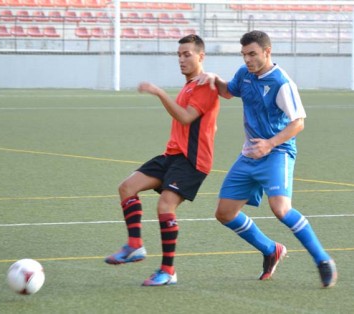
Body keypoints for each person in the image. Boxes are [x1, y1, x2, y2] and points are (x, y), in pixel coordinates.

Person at [197, 30, 337, 288]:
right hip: (249, 155)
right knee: (225, 213)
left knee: (281, 209)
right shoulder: (244, 74)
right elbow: (228, 91)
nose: (248, 59)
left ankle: (323, 260)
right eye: (244, 55)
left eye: (252, 54)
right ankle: (271, 249)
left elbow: (298, 123)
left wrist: (270, 143)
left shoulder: (282, 82)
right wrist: (213, 79)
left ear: (267, 52)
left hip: (277, 153)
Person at [104, 34, 220, 286]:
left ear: (201, 56)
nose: (181, 59)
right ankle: (135, 246)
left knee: (165, 207)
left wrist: (158, 92)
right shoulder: (190, 85)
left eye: (187, 54)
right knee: (127, 187)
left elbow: (186, 118)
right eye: (178, 55)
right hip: (172, 156)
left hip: (192, 160)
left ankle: (168, 271)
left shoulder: (204, 87)